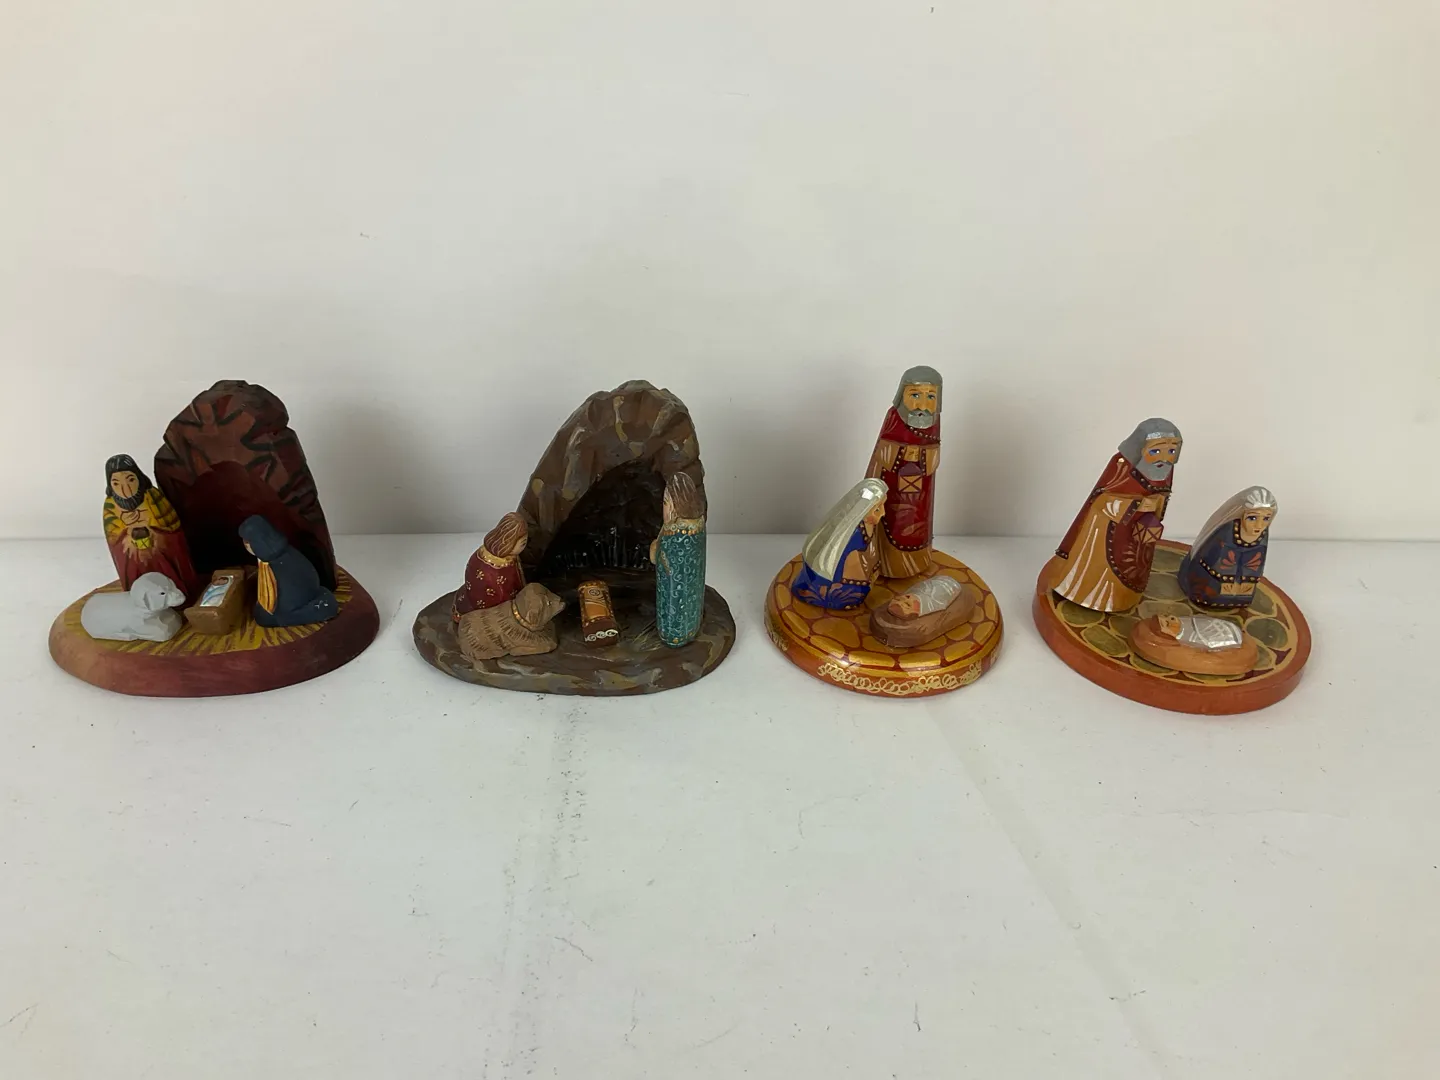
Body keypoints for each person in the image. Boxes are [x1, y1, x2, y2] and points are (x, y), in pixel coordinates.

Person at [1051, 418, 1182, 612]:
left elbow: (1163, 495)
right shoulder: (1121, 465)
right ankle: (1091, 596)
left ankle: (1124, 598)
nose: (1164, 458)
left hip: (1140, 530)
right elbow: (1100, 499)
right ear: (1140, 448)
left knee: (1134, 565)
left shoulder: (1166, 470)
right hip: (1108, 529)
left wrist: (1156, 504)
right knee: (1106, 564)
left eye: (1171, 451)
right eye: (1155, 451)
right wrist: (1137, 504)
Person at [866, 367, 943, 579]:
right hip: (891, 484)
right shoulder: (894, 416)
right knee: (890, 520)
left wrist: (922, 455)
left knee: (917, 525)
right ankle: (885, 562)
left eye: (930, 397)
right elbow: (883, 450)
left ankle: (916, 563)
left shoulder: (934, 420)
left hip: (921, 491)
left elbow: (935, 452)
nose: (922, 405)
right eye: (915, 395)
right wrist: (904, 452)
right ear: (902, 394)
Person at [102, 454, 198, 595]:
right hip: (132, 556)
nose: (125, 489)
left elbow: (170, 524)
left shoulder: (152, 496)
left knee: (167, 575)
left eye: (130, 480)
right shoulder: (110, 505)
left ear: (139, 478)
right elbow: (113, 536)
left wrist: (151, 526)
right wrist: (127, 533)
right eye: (116, 483)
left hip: (160, 550)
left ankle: (178, 592)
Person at [792, 479, 887, 610]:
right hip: (842, 578)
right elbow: (851, 564)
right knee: (856, 591)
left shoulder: (868, 525)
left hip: (860, 568)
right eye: (877, 509)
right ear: (863, 510)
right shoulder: (853, 534)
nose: (883, 513)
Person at [1178, 487, 1277, 608]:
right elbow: (1215, 560)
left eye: (1266, 518)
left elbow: (1256, 562)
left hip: (1243, 584)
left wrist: (1246, 580)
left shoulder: (1263, 534)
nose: (1259, 525)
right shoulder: (1227, 531)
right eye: (1252, 518)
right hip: (1214, 579)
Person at [238, 515, 338, 628]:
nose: (246, 546)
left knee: (264, 617)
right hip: (306, 590)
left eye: (248, 542)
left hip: (294, 599)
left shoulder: (272, 564)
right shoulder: (282, 552)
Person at [650, 472, 707, 647]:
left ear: (676, 507)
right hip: (691, 592)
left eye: (666, 503)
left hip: (673, 593)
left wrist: (655, 548)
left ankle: (674, 636)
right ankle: (690, 629)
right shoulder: (697, 526)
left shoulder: (674, 533)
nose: (664, 508)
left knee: (674, 607)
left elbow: (660, 561)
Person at [452, 513, 528, 623]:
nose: (524, 547)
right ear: (508, 543)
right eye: (523, 544)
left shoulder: (509, 558)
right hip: (491, 605)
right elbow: (501, 594)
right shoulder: (494, 568)